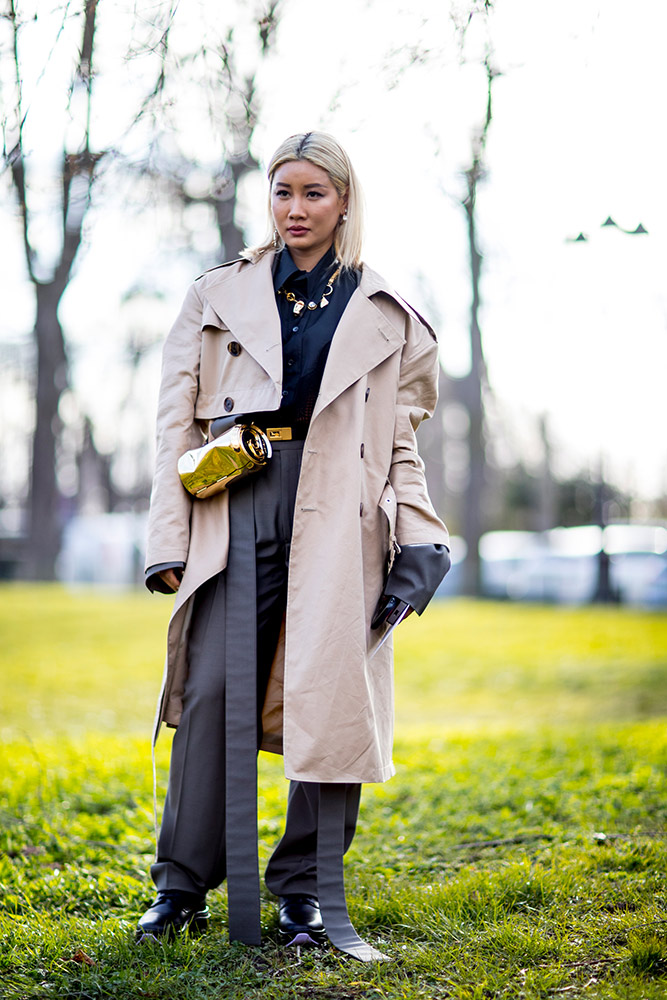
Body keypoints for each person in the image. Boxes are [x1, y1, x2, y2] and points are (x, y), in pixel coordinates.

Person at [136, 131, 450, 961]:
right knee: (211, 690)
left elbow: (399, 444)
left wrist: (421, 537)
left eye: (314, 192)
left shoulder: (387, 314)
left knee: (329, 696)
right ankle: (181, 886)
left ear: (344, 200)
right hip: (235, 497)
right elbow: (176, 424)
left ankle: (303, 894)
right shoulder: (215, 294)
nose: (296, 208)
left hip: (342, 510)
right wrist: (169, 537)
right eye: (282, 191)